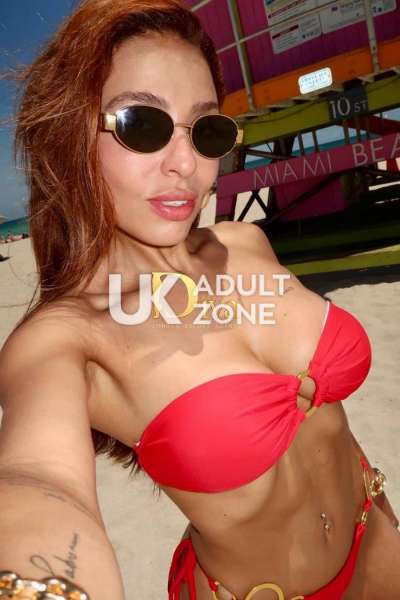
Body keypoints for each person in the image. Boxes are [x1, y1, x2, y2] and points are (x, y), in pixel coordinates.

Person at [0, 1, 399, 599]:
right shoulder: (65, 337)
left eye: (206, 129)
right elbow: (39, 478)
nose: (186, 164)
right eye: (143, 125)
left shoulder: (245, 243)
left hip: (378, 533)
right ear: (69, 137)